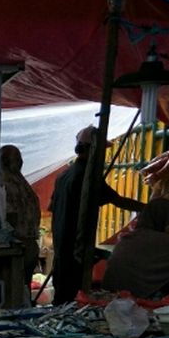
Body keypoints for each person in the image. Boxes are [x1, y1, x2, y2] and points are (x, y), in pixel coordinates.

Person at [48, 125, 144, 304]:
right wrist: (147, 208)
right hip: (75, 240)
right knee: (72, 292)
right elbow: (118, 201)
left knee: (63, 284)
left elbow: (52, 206)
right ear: (93, 150)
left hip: (61, 237)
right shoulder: (85, 177)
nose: (104, 155)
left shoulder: (65, 175)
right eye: (101, 151)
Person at [101, 198, 169, 298]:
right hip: (134, 300)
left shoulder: (130, 237)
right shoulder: (161, 241)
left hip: (109, 295)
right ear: (160, 219)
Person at [0, 145, 41, 284]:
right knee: (23, 290)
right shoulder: (24, 185)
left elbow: (10, 217)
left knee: (13, 292)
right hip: (31, 247)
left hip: (17, 248)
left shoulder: (5, 183)